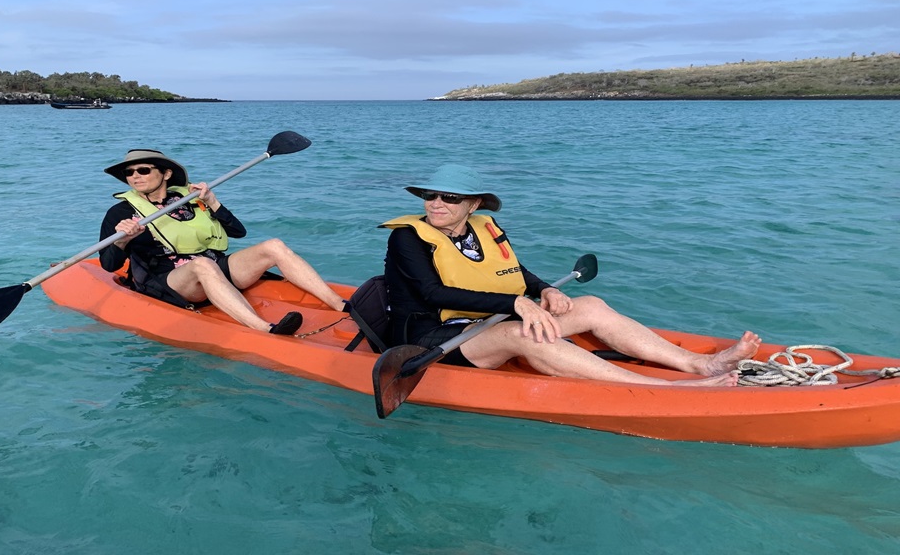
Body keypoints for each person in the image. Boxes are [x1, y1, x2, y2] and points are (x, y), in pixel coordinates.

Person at [381, 163, 761, 386]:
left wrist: (544, 290)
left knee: (591, 305)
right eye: (431, 195)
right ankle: (657, 388)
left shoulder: (484, 228)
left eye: (450, 198)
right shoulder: (407, 239)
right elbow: (432, 294)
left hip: (487, 319)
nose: (437, 203)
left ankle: (699, 364)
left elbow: (511, 270)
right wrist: (516, 305)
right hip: (429, 339)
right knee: (521, 331)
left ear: (474, 204)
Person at [99, 148, 347, 335]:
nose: (135, 177)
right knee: (203, 266)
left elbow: (239, 232)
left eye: (143, 170)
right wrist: (122, 241)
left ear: (166, 173)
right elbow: (109, 265)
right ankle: (264, 328)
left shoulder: (189, 198)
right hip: (172, 282)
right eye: (129, 173)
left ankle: (341, 305)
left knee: (274, 246)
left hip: (215, 267)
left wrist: (213, 202)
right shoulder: (121, 213)